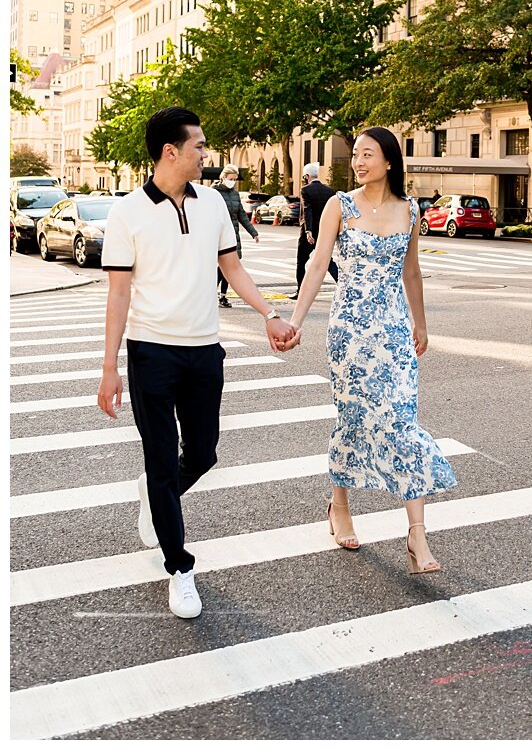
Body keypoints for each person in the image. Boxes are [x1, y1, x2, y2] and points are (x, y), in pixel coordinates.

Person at [96, 107, 300, 619]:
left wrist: (270, 314)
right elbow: (118, 294)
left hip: (204, 350)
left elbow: (232, 267)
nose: (206, 154)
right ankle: (179, 567)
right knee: (163, 460)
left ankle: (155, 494)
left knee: (204, 453)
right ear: (172, 152)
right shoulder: (127, 213)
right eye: (200, 146)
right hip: (151, 353)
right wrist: (108, 367)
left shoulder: (210, 203)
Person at [288, 125, 456, 574]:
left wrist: (421, 323)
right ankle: (339, 504)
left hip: (395, 330)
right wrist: (296, 321)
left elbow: (413, 272)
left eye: (367, 154)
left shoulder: (410, 210)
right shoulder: (338, 207)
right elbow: (318, 264)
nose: (358, 161)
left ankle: (417, 535)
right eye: (356, 155)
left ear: (388, 161)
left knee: (402, 419)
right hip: (350, 332)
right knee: (354, 417)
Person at [211, 164, 258, 308]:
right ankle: (210, 293)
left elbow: (241, 215)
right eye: (231, 179)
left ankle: (223, 296)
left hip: (232, 235)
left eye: (235, 179)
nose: (233, 182)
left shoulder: (235, 194)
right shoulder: (213, 193)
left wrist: (253, 232)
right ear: (223, 177)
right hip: (217, 234)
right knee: (218, 268)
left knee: (230, 266)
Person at [295, 162, 338, 297]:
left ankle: (300, 291)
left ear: (307, 176)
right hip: (325, 232)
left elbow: (307, 209)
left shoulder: (305, 190)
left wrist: (309, 231)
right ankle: (343, 286)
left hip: (309, 233)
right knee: (328, 261)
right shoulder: (330, 191)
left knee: (301, 262)